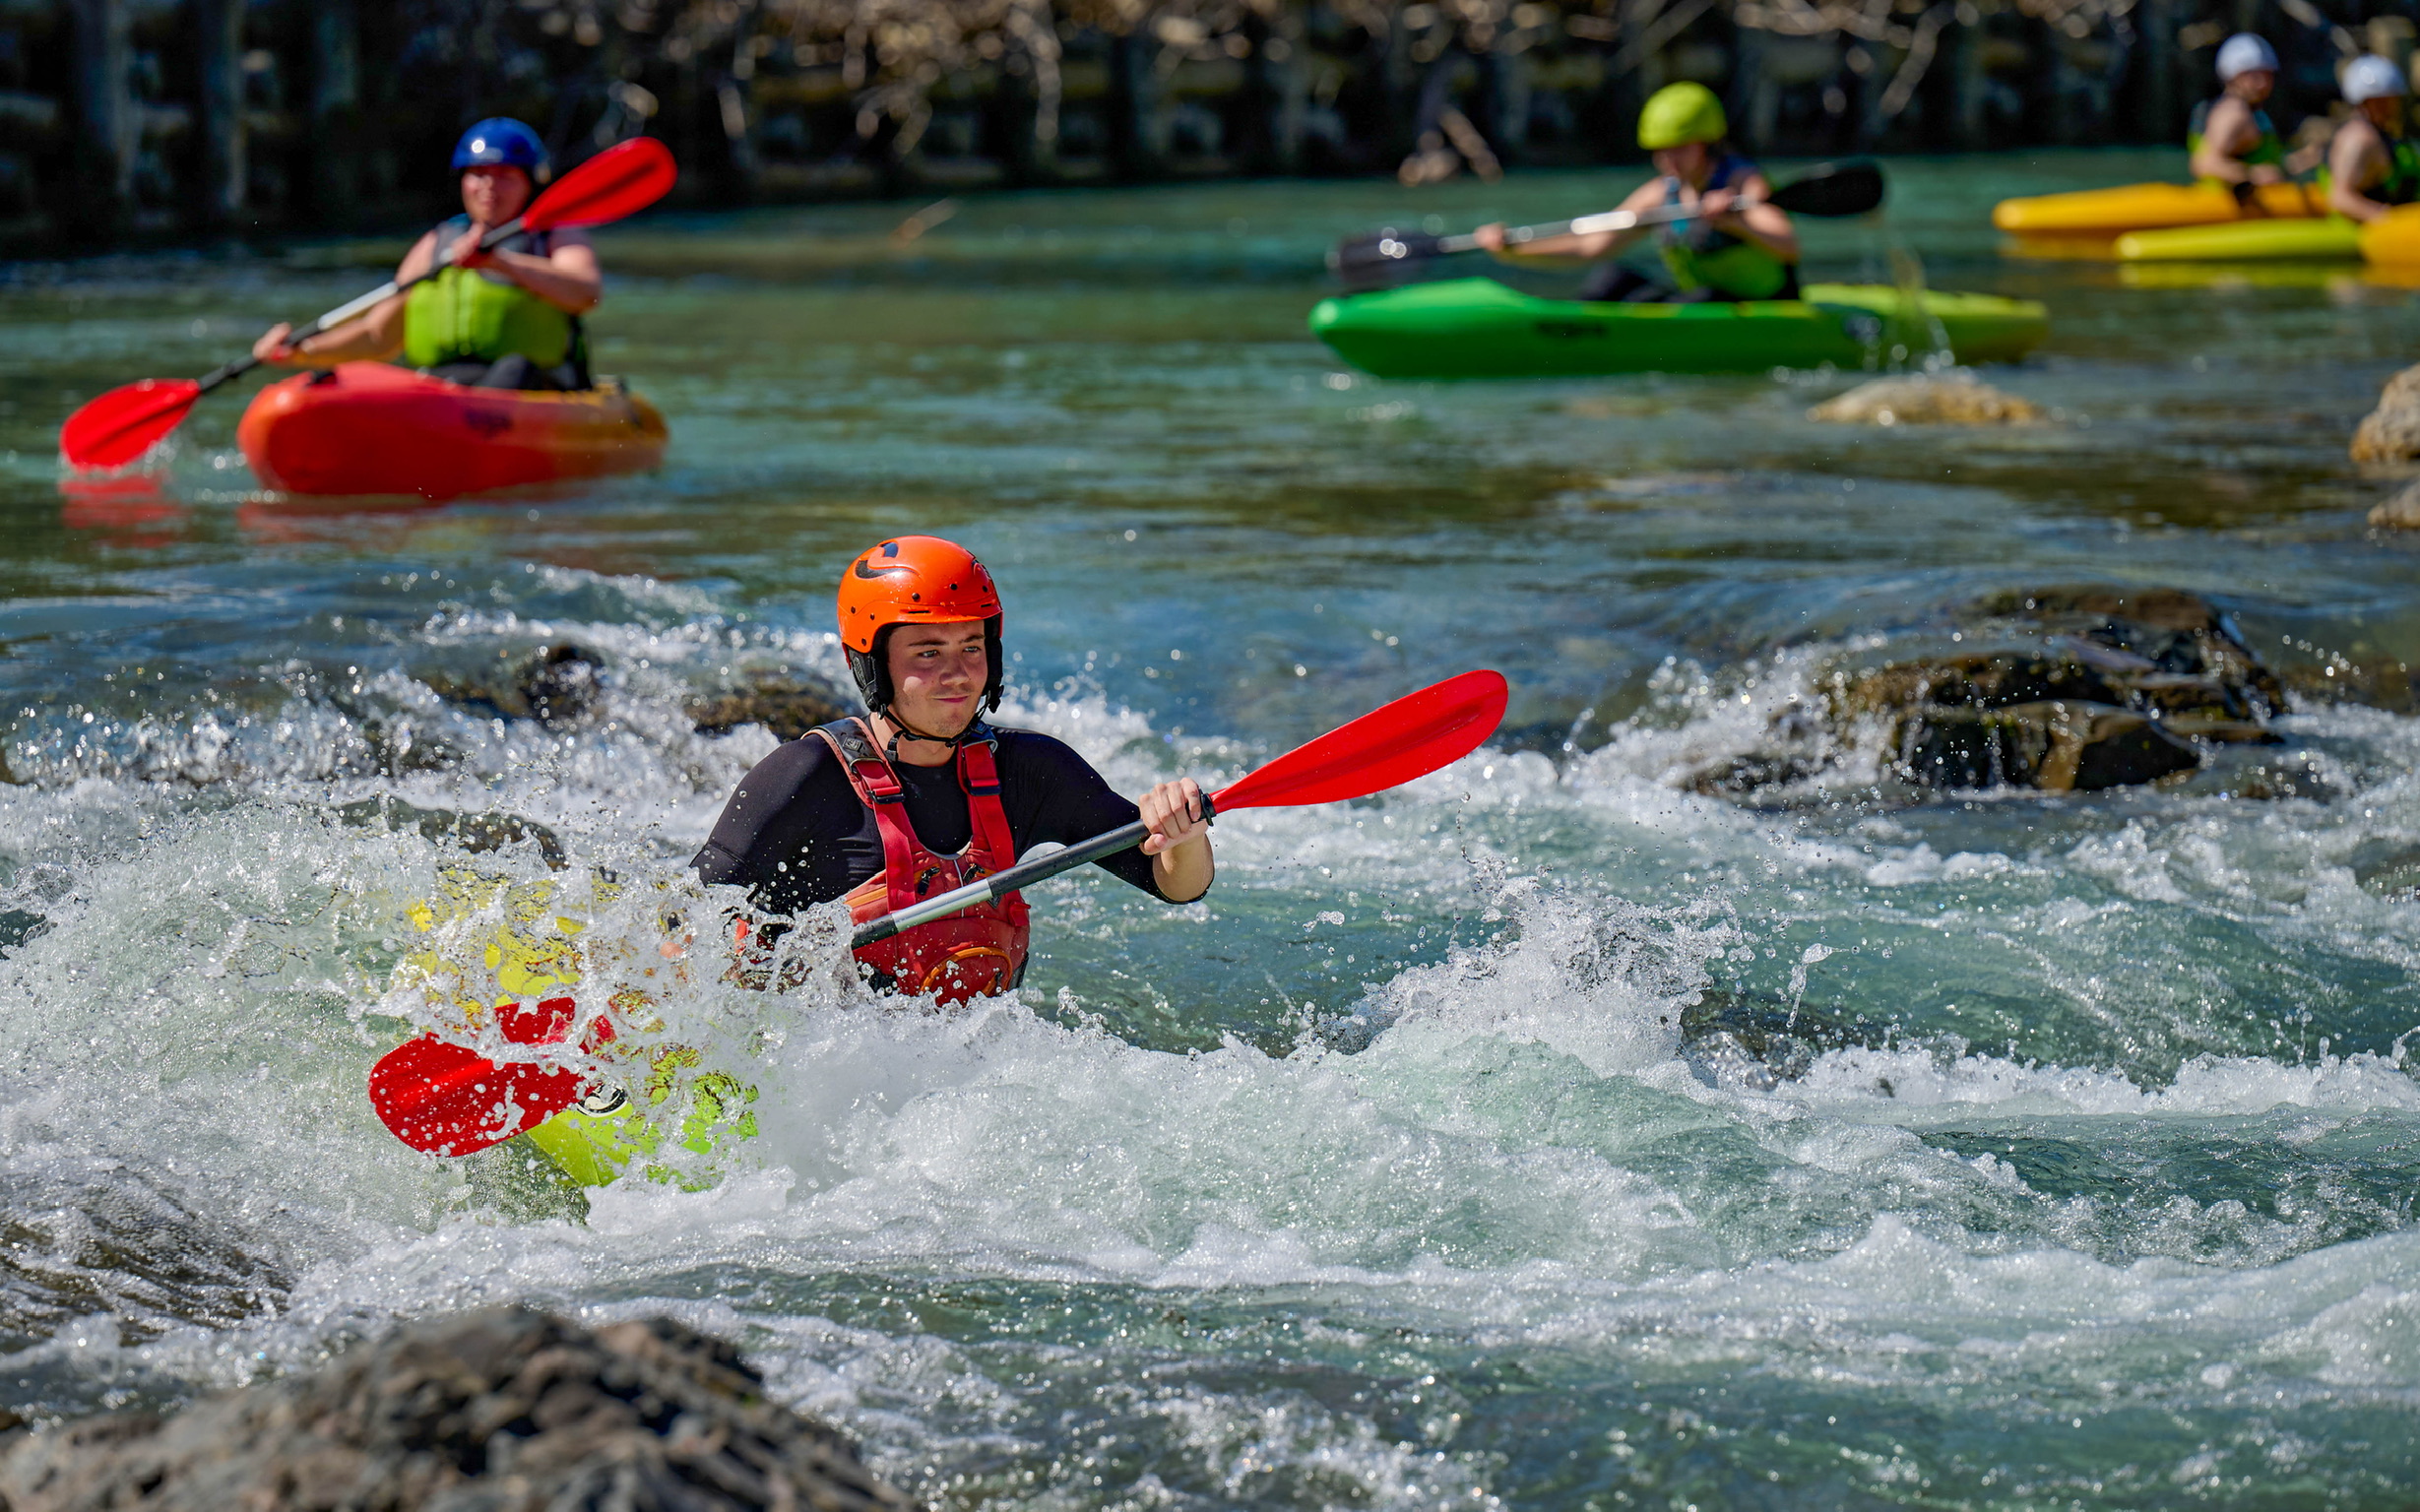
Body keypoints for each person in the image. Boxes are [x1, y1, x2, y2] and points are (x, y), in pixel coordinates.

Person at [691, 536, 1214, 1005]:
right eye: (927, 653)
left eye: (972, 647)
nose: (958, 674)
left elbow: (1176, 885)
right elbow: (683, 921)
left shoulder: (1031, 771)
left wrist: (1182, 833)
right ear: (870, 665)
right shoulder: (804, 777)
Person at [251, 118, 603, 391]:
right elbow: (378, 336)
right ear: (463, 181)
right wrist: (302, 351)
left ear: (529, 182)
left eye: (504, 175)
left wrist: (500, 263)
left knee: (515, 367)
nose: (489, 187)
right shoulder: (438, 243)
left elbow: (585, 291)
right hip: (446, 391)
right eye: (478, 174)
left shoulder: (554, 235)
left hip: (532, 389)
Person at [1472, 82, 1799, 303]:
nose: (1668, 161)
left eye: (1679, 150)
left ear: (1706, 144)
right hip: (1701, 300)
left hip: (1763, 302)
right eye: (1661, 151)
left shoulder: (1743, 183)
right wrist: (1512, 249)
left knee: (1698, 300)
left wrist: (1734, 222)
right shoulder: (1660, 194)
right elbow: (1590, 245)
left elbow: (1787, 245)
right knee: (1613, 279)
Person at [2189, 34, 2289, 197]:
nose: (2263, 84)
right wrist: (2253, 175)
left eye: (2267, 75)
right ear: (2233, 75)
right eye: (2254, 76)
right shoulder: (2235, 113)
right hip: (2223, 212)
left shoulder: (2243, 110)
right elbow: (2204, 163)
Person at [2326, 54, 2420, 222]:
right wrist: (2389, 221)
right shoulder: (2360, 139)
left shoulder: (2384, 134)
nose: (2385, 107)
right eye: (2376, 101)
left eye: (2389, 99)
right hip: (2369, 235)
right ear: (2361, 102)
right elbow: (2340, 198)